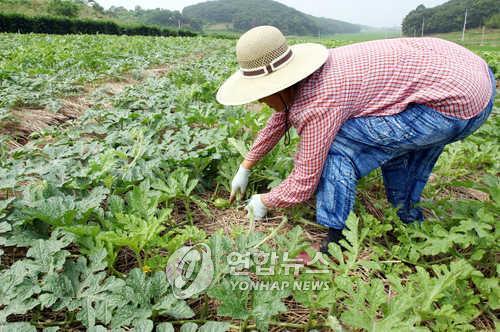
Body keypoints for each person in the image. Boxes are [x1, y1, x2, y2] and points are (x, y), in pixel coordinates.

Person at [216, 26, 496, 253]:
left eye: (261, 91)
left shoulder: (321, 102)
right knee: (398, 146)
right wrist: (246, 165)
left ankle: (338, 240)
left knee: (338, 144)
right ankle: (407, 217)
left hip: (451, 108)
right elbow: (282, 115)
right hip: (475, 79)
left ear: (281, 84)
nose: (260, 98)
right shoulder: (313, 72)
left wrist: (265, 200)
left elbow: (303, 184)